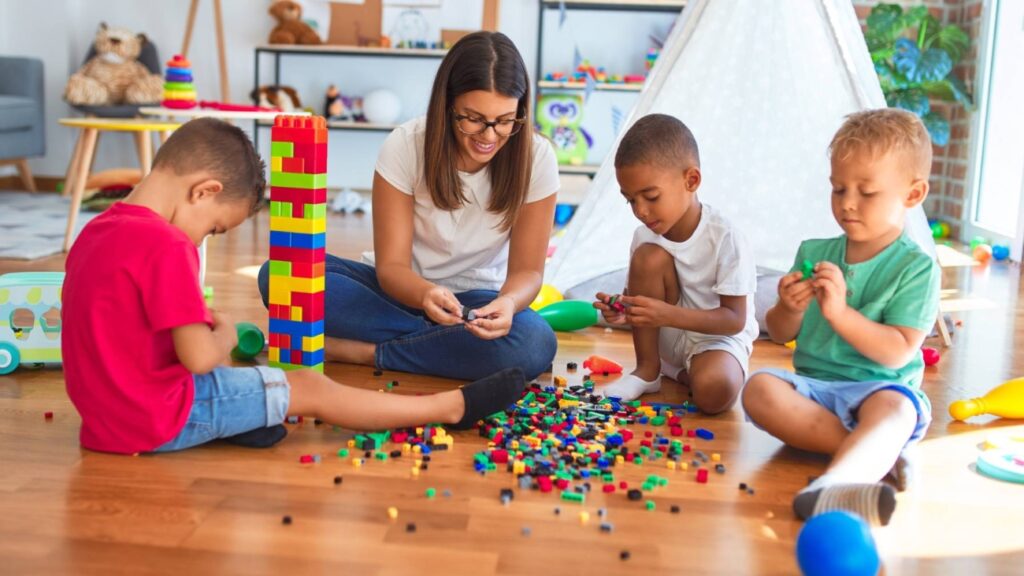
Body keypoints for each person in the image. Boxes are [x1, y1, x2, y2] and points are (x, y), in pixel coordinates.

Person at [61, 117, 526, 455]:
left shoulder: (95, 232)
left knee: (258, 385)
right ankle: (448, 408)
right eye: (216, 230)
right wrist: (222, 330)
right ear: (206, 191)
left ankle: (250, 416)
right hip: (153, 420)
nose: (203, 239)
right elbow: (201, 359)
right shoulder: (166, 245)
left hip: (102, 421)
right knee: (308, 386)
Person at [259, 31, 559, 382]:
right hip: (398, 293)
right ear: (447, 105)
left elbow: (528, 272)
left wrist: (507, 304)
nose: (489, 136)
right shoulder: (406, 144)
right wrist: (425, 294)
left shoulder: (536, 157)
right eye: (474, 118)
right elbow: (393, 268)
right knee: (279, 275)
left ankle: (365, 352)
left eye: (505, 120)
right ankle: (443, 346)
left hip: (477, 304)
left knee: (534, 341)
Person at [742, 109, 940, 526]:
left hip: (880, 389)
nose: (848, 203)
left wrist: (840, 313)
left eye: (867, 192)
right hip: (815, 387)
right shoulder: (815, 252)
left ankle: (835, 483)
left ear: (913, 194)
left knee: (896, 411)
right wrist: (788, 309)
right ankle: (875, 454)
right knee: (758, 388)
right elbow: (780, 334)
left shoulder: (916, 267)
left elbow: (897, 352)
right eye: (838, 189)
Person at [592, 114, 758, 413]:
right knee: (648, 256)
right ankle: (648, 371)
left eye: (651, 196)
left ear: (691, 180)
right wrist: (622, 309)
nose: (640, 211)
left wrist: (666, 314)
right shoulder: (644, 237)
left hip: (715, 339)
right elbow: (641, 305)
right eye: (630, 200)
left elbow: (735, 320)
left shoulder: (726, 236)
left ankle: (679, 373)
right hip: (666, 336)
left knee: (714, 394)